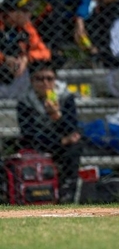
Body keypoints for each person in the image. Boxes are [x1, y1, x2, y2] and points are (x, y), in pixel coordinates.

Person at [16, 61, 82, 203]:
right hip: (38, 144)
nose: (45, 83)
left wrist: (56, 116)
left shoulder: (65, 97)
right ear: (32, 81)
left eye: (49, 79)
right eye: (39, 79)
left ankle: (68, 189)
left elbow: (72, 129)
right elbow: (28, 133)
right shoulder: (25, 101)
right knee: (26, 143)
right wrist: (61, 140)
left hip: (60, 144)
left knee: (75, 146)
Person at [0, 0, 52, 98]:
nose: (29, 15)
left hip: (15, 71)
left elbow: (44, 52)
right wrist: (5, 59)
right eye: (25, 11)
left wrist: (26, 58)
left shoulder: (26, 28)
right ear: (12, 12)